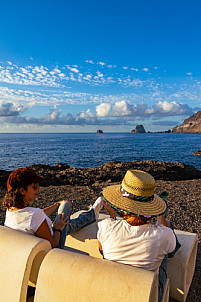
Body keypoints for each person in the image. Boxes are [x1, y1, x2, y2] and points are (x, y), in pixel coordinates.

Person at [97, 169, 181, 302]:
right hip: (148, 293)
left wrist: (113, 216)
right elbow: (171, 251)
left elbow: (102, 251)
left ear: (122, 204)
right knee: (168, 247)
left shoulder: (105, 226)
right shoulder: (162, 235)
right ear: (150, 207)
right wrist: (161, 216)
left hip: (113, 288)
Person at [3, 167, 101, 249]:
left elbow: (34, 218)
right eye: (34, 186)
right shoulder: (35, 215)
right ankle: (92, 213)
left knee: (68, 225)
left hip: (31, 248)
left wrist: (56, 205)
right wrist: (58, 229)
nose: (38, 188)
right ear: (22, 190)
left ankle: (92, 214)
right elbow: (53, 244)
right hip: (54, 248)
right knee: (66, 206)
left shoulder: (11, 210)